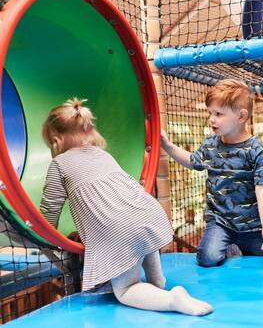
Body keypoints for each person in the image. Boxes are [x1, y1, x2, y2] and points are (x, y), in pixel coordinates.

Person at [40, 98, 213, 315]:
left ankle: (171, 300)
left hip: (119, 229)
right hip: (147, 210)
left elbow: (50, 210)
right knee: (142, 235)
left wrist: (43, 237)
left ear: (56, 140)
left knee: (125, 290)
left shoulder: (59, 164)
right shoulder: (103, 155)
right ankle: (157, 281)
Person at [161, 79, 263, 267]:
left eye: (219, 114)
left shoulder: (257, 150)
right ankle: (228, 246)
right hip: (220, 222)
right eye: (210, 113)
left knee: (259, 265)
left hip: (252, 225)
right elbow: (193, 162)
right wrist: (168, 147)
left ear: (241, 117)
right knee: (207, 258)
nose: (211, 119)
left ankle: (233, 248)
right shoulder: (211, 144)